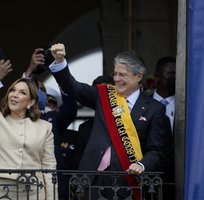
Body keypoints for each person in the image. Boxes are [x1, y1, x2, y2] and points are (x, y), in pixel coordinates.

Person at [48, 43, 171, 199]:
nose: (116, 79)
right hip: (92, 178)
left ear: (138, 76)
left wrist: (141, 165)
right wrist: (60, 62)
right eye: (115, 74)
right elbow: (74, 88)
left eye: (122, 75)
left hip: (128, 180)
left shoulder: (154, 109)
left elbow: (157, 150)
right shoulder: (104, 95)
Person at [0, 38, 57, 199]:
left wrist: (52, 198)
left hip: (34, 193)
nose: (14, 95)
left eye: (22, 92)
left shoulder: (44, 127)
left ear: (31, 102)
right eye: (12, 91)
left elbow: (49, 168)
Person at [23, 48, 78, 200]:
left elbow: (70, 110)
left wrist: (59, 70)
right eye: (33, 89)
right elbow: (17, 100)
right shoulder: (18, 116)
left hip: (54, 186)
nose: (39, 93)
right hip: (24, 185)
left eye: (42, 90)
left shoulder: (52, 118)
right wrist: (30, 71)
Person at [152, 56, 176, 199]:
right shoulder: (145, 102)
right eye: (169, 74)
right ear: (157, 77)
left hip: (176, 170)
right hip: (151, 171)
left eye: (176, 74)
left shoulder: (186, 104)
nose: (174, 78)